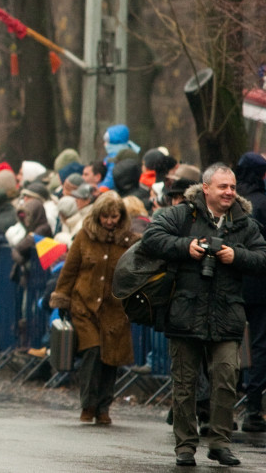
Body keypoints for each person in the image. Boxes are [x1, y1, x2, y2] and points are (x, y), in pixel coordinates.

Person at [140, 163, 266, 467]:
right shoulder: (183, 215)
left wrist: (237, 256)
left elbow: (263, 258)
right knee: (184, 384)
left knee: (226, 378)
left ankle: (220, 442)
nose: (229, 192)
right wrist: (188, 247)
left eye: (233, 187)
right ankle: (185, 445)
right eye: (223, 187)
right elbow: (151, 238)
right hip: (186, 311)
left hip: (227, 314)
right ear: (206, 187)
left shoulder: (244, 222)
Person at [49, 191, 137, 425]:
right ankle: (88, 404)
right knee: (93, 351)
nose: (110, 221)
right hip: (84, 306)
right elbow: (70, 269)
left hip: (114, 309)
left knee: (111, 358)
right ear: (98, 216)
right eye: (105, 216)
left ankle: (104, 406)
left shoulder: (129, 241)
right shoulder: (84, 236)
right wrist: (62, 298)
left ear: (121, 216)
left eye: (114, 216)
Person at [234, 152, 266, 432]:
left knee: (228, 341)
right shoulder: (263, 202)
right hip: (259, 284)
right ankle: (253, 409)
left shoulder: (229, 202)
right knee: (259, 344)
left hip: (230, 281)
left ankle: (221, 408)